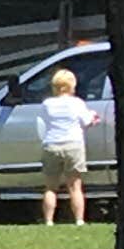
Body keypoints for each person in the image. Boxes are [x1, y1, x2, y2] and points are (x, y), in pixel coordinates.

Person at [33, 65, 98, 226]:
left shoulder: (47, 104)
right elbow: (86, 121)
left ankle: (49, 220)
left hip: (52, 144)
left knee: (50, 187)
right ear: (72, 85)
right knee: (75, 186)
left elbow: (43, 122)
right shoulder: (77, 103)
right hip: (73, 144)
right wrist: (93, 118)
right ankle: (79, 220)